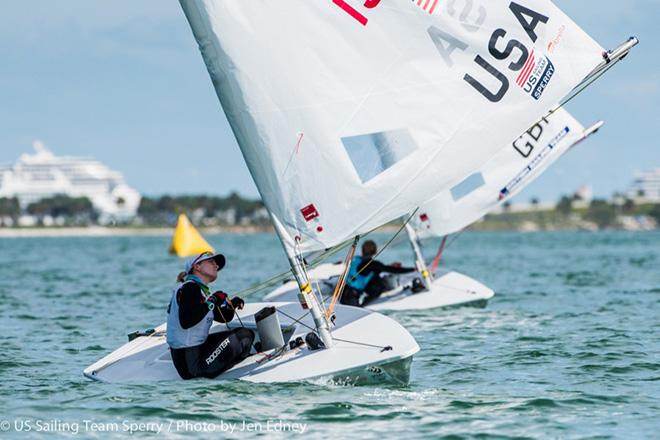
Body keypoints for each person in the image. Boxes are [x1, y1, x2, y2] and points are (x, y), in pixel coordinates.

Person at [166, 251, 254, 380]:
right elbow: (187, 321)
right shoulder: (190, 288)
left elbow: (223, 317)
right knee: (244, 336)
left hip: (194, 353)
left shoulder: (199, 291)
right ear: (197, 267)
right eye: (211, 262)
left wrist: (231, 305)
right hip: (192, 368)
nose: (216, 266)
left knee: (245, 334)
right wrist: (213, 300)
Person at [342, 240, 416, 307]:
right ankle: (364, 305)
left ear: (362, 251)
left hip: (343, 293)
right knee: (379, 282)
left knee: (375, 275)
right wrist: (413, 269)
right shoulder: (372, 264)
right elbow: (392, 270)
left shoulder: (355, 259)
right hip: (352, 299)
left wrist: (388, 266)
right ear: (375, 251)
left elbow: (372, 269)